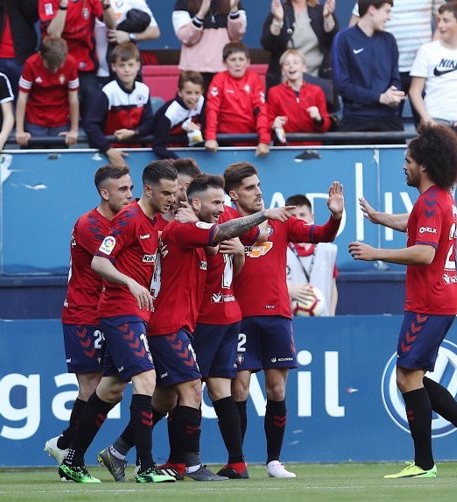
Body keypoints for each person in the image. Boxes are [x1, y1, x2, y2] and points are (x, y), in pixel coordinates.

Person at [348, 123, 457, 478]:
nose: (404, 166)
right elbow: (416, 223)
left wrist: (375, 253)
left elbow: (425, 253)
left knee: (407, 377)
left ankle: (426, 462)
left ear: (424, 165)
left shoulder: (430, 201)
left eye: (408, 160)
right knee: (409, 376)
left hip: (429, 300)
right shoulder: (439, 197)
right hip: (440, 297)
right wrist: (381, 218)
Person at [144, 174, 293, 481]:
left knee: (195, 391)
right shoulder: (181, 225)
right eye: (175, 191)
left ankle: (197, 462)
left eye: (181, 190)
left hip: (216, 315)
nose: (177, 197)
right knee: (189, 391)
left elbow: (253, 239)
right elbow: (246, 235)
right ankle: (187, 460)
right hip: (201, 317)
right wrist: (257, 221)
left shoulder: (212, 219)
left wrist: (240, 248)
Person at [57, 160, 180, 484]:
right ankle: (146, 466)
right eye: (166, 193)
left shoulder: (152, 221)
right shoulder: (129, 218)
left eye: (174, 193)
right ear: (149, 190)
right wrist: (131, 283)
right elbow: (99, 261)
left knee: (109, 389)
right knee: (146, 380)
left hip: (133, 312)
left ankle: (72, 461)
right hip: (119, 311)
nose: (170, 199)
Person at [226, 162, 344, 478]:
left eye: (259, 185)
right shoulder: (226, 223)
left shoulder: (282, 222)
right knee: (239, 388)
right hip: (238, 316)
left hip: (277, 314)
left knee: (276, 389)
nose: (259, 191)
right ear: (234, 195)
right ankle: (237, 461)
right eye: (250, 188)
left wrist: (335, 215)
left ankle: (273, 461)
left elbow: (320, 234)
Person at [43, 164, 134, 469]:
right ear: (104, 193)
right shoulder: (89, 225)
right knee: (93, 387)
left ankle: (66, 444)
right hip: (84, 313)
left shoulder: (126, 219)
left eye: (131, 188)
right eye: (123, 190)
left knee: (113, 390)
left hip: (112, 311)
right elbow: (117, 260)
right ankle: (71, 455)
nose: (130, 195)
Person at [408, 1, 457, 207]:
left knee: (444, 164)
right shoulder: (427, 51)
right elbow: (415, 91)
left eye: (446, 20)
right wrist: (427, 120)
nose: (440, 25)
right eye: (439, 20)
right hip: (435, 121)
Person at [348, 0, 445, 124]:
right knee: (388, 126)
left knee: (429, 127)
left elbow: (444, 19)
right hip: (386, 71)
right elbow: (356, 24)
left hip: (422, 71)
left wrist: (429, 53)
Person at [332, 0, 405, 133]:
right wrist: (379, 98)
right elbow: (342, 85)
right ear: (372, 10)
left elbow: (396, 79)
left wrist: (394, 95)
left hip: (388, 119)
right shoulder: (343, 39)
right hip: (356, 120)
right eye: (387, 11)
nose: (389, 17)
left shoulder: (389, 40)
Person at [39, 0, 117, 119]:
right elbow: (54, 34)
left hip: (84, 61)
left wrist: (106, 4)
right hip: (56, 62)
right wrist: (64, 6)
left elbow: (112, 25)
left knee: (93, 110)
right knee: (53, 110)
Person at [83, 42, 154, 169]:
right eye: (122, 65)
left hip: (137, 153)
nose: (127, 70)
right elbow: (90, 125)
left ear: (138, 66)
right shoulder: (108, 92)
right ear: (113, 67)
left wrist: (133, 132)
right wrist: (108, 150)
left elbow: (149, 122)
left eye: (131, 65)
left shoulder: (144, 90)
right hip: (111, 152)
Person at [204, 42, 271, 157]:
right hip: (223, 142)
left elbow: (260, 109)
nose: (237, 64)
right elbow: (212, 109)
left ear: (248, 62)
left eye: (241, 59)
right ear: (224, 63)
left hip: (252, 142)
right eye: (233, 59)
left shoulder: (254, 78)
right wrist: (210, 136)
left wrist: (264, 140)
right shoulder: (219, 79)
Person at [15, 36, 80, 148]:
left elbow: (73, 98)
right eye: (50, 65)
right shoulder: (30, 64)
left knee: (57, 160)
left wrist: (74, 129)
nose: (55, 70)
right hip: (35, 121)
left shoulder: (71, 63)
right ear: (41, 55)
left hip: (60, 121)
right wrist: (19, 130)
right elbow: (22, 97)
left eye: (59, 66)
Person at [261, 0, 338, 91]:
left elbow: (332, 41)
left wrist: (328, 17)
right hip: (286, 85)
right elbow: (267, 44)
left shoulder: (320, 11)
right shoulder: (280, 10)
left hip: (317, 82)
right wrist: (277, 21)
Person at [173, 0, 247, 90]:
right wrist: (201, 13)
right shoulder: (184, 2)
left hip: (223, 69)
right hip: (194, 72)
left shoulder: (232, 2)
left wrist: (234, 9)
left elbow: (237, 34)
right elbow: (185, 37)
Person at [285, 194, 338, 316]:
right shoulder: (281, 248)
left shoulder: (327, 249)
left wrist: (332, 315)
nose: (298, 219)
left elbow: (332, 286)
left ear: (311, 216)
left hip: (323, 319)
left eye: (302, 215)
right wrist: (288, 291)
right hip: (290, 320)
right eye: (293, 216)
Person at [266, 49, 331, 145]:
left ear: (304, 68)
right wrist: (273, 125)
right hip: (285, 149)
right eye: (287, 64)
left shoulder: (316, 91)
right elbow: (268, 122)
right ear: (283, 71)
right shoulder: (274, 92)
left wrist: (319, 119)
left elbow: (326, 125)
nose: (291, 66)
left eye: (295, 63)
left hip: (313, 148)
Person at [94, 0, 160, 86]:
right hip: (96, 71)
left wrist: (129, 36)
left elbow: (155, 32)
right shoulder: (90, 2)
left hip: (124, 72)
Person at [152, 71, 205, 159]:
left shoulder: (202, 102)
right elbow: (158, 147)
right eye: (188, 93)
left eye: (197, 93)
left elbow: (203, 135)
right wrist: (180, 162)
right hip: (170, 156)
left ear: (202, 92)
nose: (193, 98)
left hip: (188, 152)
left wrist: (198, 131)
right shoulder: (170, 112)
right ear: (180, 92)